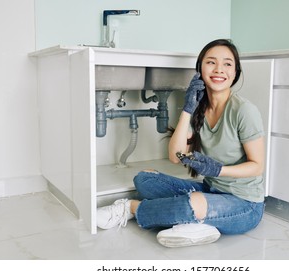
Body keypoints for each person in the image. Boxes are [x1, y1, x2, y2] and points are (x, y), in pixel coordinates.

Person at [96, 39, 265, 248]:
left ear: (236, 72)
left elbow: (257, 166)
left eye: (228, 64)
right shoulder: (200, 109)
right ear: (200, 69)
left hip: (245, 204)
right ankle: (198, 220)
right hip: (211, 190)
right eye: (211, 62)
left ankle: (130, 208)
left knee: (191, 204)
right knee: (145, 179)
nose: (219, 69)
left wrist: (219, 170)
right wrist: (187, 109)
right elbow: (175, 156)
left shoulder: (244, 111)